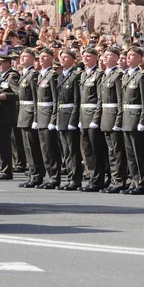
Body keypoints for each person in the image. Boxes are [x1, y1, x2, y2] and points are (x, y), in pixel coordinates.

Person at [120, 47, 144, 195]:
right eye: (128, 55)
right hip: (127, 117)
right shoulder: (126, 75)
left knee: (140, 153)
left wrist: (143, 120)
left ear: (140, 59)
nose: (129, 57)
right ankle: (135, 180)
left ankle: (143, 181)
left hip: (136, 116)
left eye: (133, 55)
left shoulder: (141, 76)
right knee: (130, 153)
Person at [78, 48, 108, 192]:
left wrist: (96, 119)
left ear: (96, 58)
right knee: (87, 150)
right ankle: (92, 177)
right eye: (84, 56)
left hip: (93, 116)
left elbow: (100, 99)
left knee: (97, 151)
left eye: (89, 56)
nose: (85, 58)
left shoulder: (99, 75)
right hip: (84, 116)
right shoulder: (84, 74)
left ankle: (98, 179)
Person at [16, 49, 46, 188]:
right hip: (23, 113)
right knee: (27, 147)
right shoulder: (25, 74)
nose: (21, 58)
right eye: (21, 56)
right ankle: (32, 173)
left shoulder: (33, 75)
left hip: (29, 113)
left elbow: (35, 97)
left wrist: (35, 117)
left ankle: (36, 175)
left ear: (33, 59)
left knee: (33, 147)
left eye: (25, 56)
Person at [99, 47, 127, 193]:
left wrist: (118, 121)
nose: (104, 57)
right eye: (104, 55)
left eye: (108, 55)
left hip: (114, 115)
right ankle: (112, 179)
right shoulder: (105, 75)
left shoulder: (118, 75)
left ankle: (119, 180)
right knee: (110, 151)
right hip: (106, 116)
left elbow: (121, 101)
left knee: (117, 151)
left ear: (116, 59)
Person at [56, 50, 84, 190]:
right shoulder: (61, 76)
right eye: (61, 57)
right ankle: (69, 177)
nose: (62, 59)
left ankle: (75, 179)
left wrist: (74, 120)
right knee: (66, 151)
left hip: (70, 116)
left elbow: (77, 100)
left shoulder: (75, 76)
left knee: (73, 150)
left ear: (73, 60)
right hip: (62, 116)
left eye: (66, 57)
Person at [35, 48, 62, 189]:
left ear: (52, 59)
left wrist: (53, 119)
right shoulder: (41, 75)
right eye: (40, 56)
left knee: (51, 148)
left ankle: (54, 177)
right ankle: (48, 176)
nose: (41, 59)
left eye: (45, 57)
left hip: (48, 115)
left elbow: (56, 99)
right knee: (44, 148)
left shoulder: (52, 75)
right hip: (40, 115)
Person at [0, 54, 21, 180]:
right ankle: (1, 166)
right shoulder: (1, 76)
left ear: (7, 63)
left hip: (6, 113)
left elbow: (17, 93)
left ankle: (7, 170)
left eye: (1, 63)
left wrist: (5, 96)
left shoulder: (12, 76)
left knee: (4, 143)